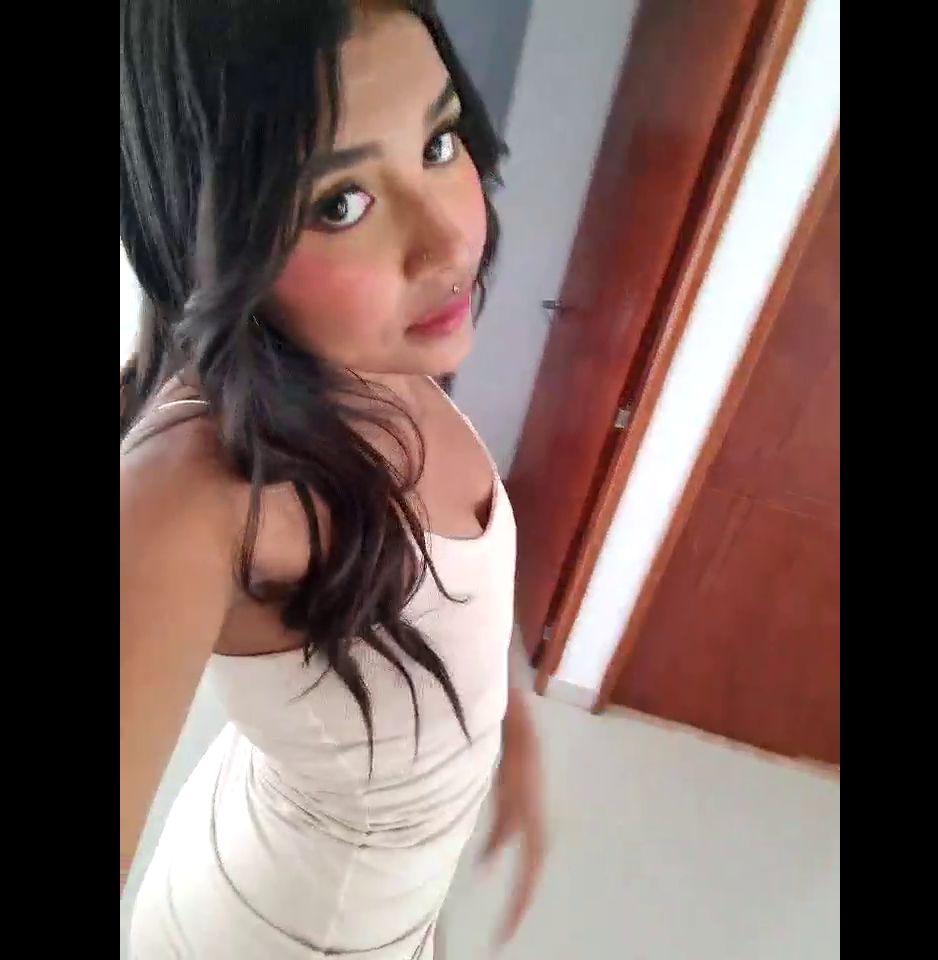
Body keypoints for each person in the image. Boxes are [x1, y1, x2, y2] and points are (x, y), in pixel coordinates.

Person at [119, 1, 546, 956]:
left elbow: (455, 592)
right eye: (339, 203)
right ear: (205, 229)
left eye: (438, 142)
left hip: (352, 872)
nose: (448, 242)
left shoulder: (364, 350)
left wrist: (507, 729)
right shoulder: (190, 496)